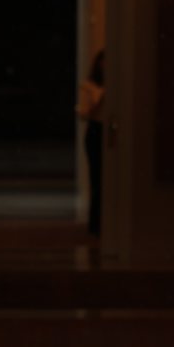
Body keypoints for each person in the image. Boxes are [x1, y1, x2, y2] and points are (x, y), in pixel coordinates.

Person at [78, 49, 104, 237]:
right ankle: (95, 224)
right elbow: (83, 112)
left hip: (105, 130)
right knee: (97, 178)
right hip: (96, 131)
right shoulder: (88, 86)